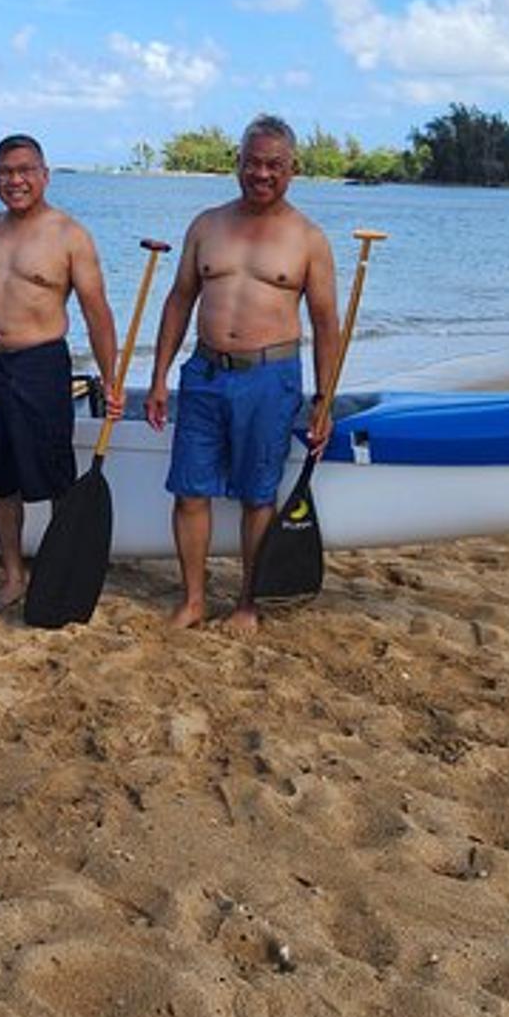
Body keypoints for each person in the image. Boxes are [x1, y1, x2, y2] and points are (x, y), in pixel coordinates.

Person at [144, 115, 338, 631]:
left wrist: (325, 398)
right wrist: (160, 376)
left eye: (274, 164)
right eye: (253, 162)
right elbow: (179, 301)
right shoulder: (207, 224)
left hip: (269, 379)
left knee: (258, 494)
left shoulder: (309, 239)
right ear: (238, 163)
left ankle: (248, 602)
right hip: (205, 372)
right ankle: (193, 599)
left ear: (292, 169)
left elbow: (325, 324)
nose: (262, 173)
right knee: (190, 490)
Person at [0, 133, 120, 610]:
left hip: (42, 364)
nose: (16, 180)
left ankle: (57, 569)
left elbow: (98, 313)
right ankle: (14, 576)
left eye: (25, 170)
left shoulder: (69, 235)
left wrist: (112, 380)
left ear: (44, 175)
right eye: (6, 172)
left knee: (54, 474)